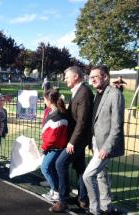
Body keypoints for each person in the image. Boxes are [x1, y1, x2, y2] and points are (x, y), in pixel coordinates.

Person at [50, 66, 94, 212]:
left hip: (78, 140)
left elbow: (82, 122)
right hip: (76, 138)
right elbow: (71, 116)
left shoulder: (84, 93)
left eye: (67, 76)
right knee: (80, 167)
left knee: (60, 163)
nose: (65, 79)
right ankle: (83, 198)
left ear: (75, 76)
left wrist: (72, 142)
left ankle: (62, 200)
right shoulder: (77, 92)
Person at [83, 65, 125, 215]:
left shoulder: (115, 94)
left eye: (95, 76)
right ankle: (106, 207)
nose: (92, 79)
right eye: (90, 77)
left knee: (88, 176)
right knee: (101, 175)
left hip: (106, 145)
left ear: (105, 77)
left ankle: (95, 210)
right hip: (96, 142)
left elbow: (117, 125)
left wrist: (106, 148)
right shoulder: (97, 94)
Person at [40, 89, 68, 202]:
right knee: (50, 168)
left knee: (45, 168)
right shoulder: (56, 113)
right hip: (55, 146)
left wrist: (44, 148)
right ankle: (54, 189)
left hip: (54, 147)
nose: (44, 101)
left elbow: (53, 137)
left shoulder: (56, 116)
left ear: (49, 100)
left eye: (44, 99)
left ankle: (56, 192)